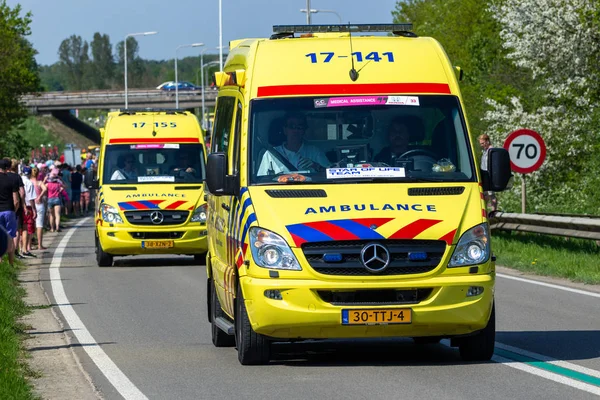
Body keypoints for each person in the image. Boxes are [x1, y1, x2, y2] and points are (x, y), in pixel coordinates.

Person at [257, 113, 329, 176]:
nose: (295, 131)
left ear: (304, 131)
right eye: (292, 126)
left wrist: (316, 166)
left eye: (299, 127)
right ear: (285, 130)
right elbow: (261, 180)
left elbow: (331, 174)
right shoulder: (271, 154)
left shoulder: (314, 152)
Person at [0, 159, 20, 267]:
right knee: (11, 237)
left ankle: (0, 261)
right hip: (9, 210)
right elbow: (16, 200)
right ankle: (11, 263)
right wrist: (14, 210)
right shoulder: (12, 180)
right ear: (8, 168)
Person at [20, 166, 38, 257]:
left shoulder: (18, 180)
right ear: (30, 173)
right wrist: (34, 209)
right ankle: (25, 248)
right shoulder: (29, 183)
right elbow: (31, 198)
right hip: (27, 206)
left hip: (19, 206)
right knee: (26, 228)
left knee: (20, 228)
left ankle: (20, 248)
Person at [478, 134, 498, 212]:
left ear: (487, 141)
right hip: (485, 174)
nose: (482, 145)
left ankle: (493, 211)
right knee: (485, 194)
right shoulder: (485, 151)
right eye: (481, 144)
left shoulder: (491, 150)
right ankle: (485, 211)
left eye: (483, 143)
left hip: (490, 175)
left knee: (491, 194)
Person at [31, 167, 48, 250]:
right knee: (39, 225)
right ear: (38, 174)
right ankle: (39, 244)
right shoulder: (39, 182)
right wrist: (40, 196)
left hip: (31, 204)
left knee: (30, 225)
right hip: (39, 204)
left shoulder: (28, 182)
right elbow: (45, 189)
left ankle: (28, 245)